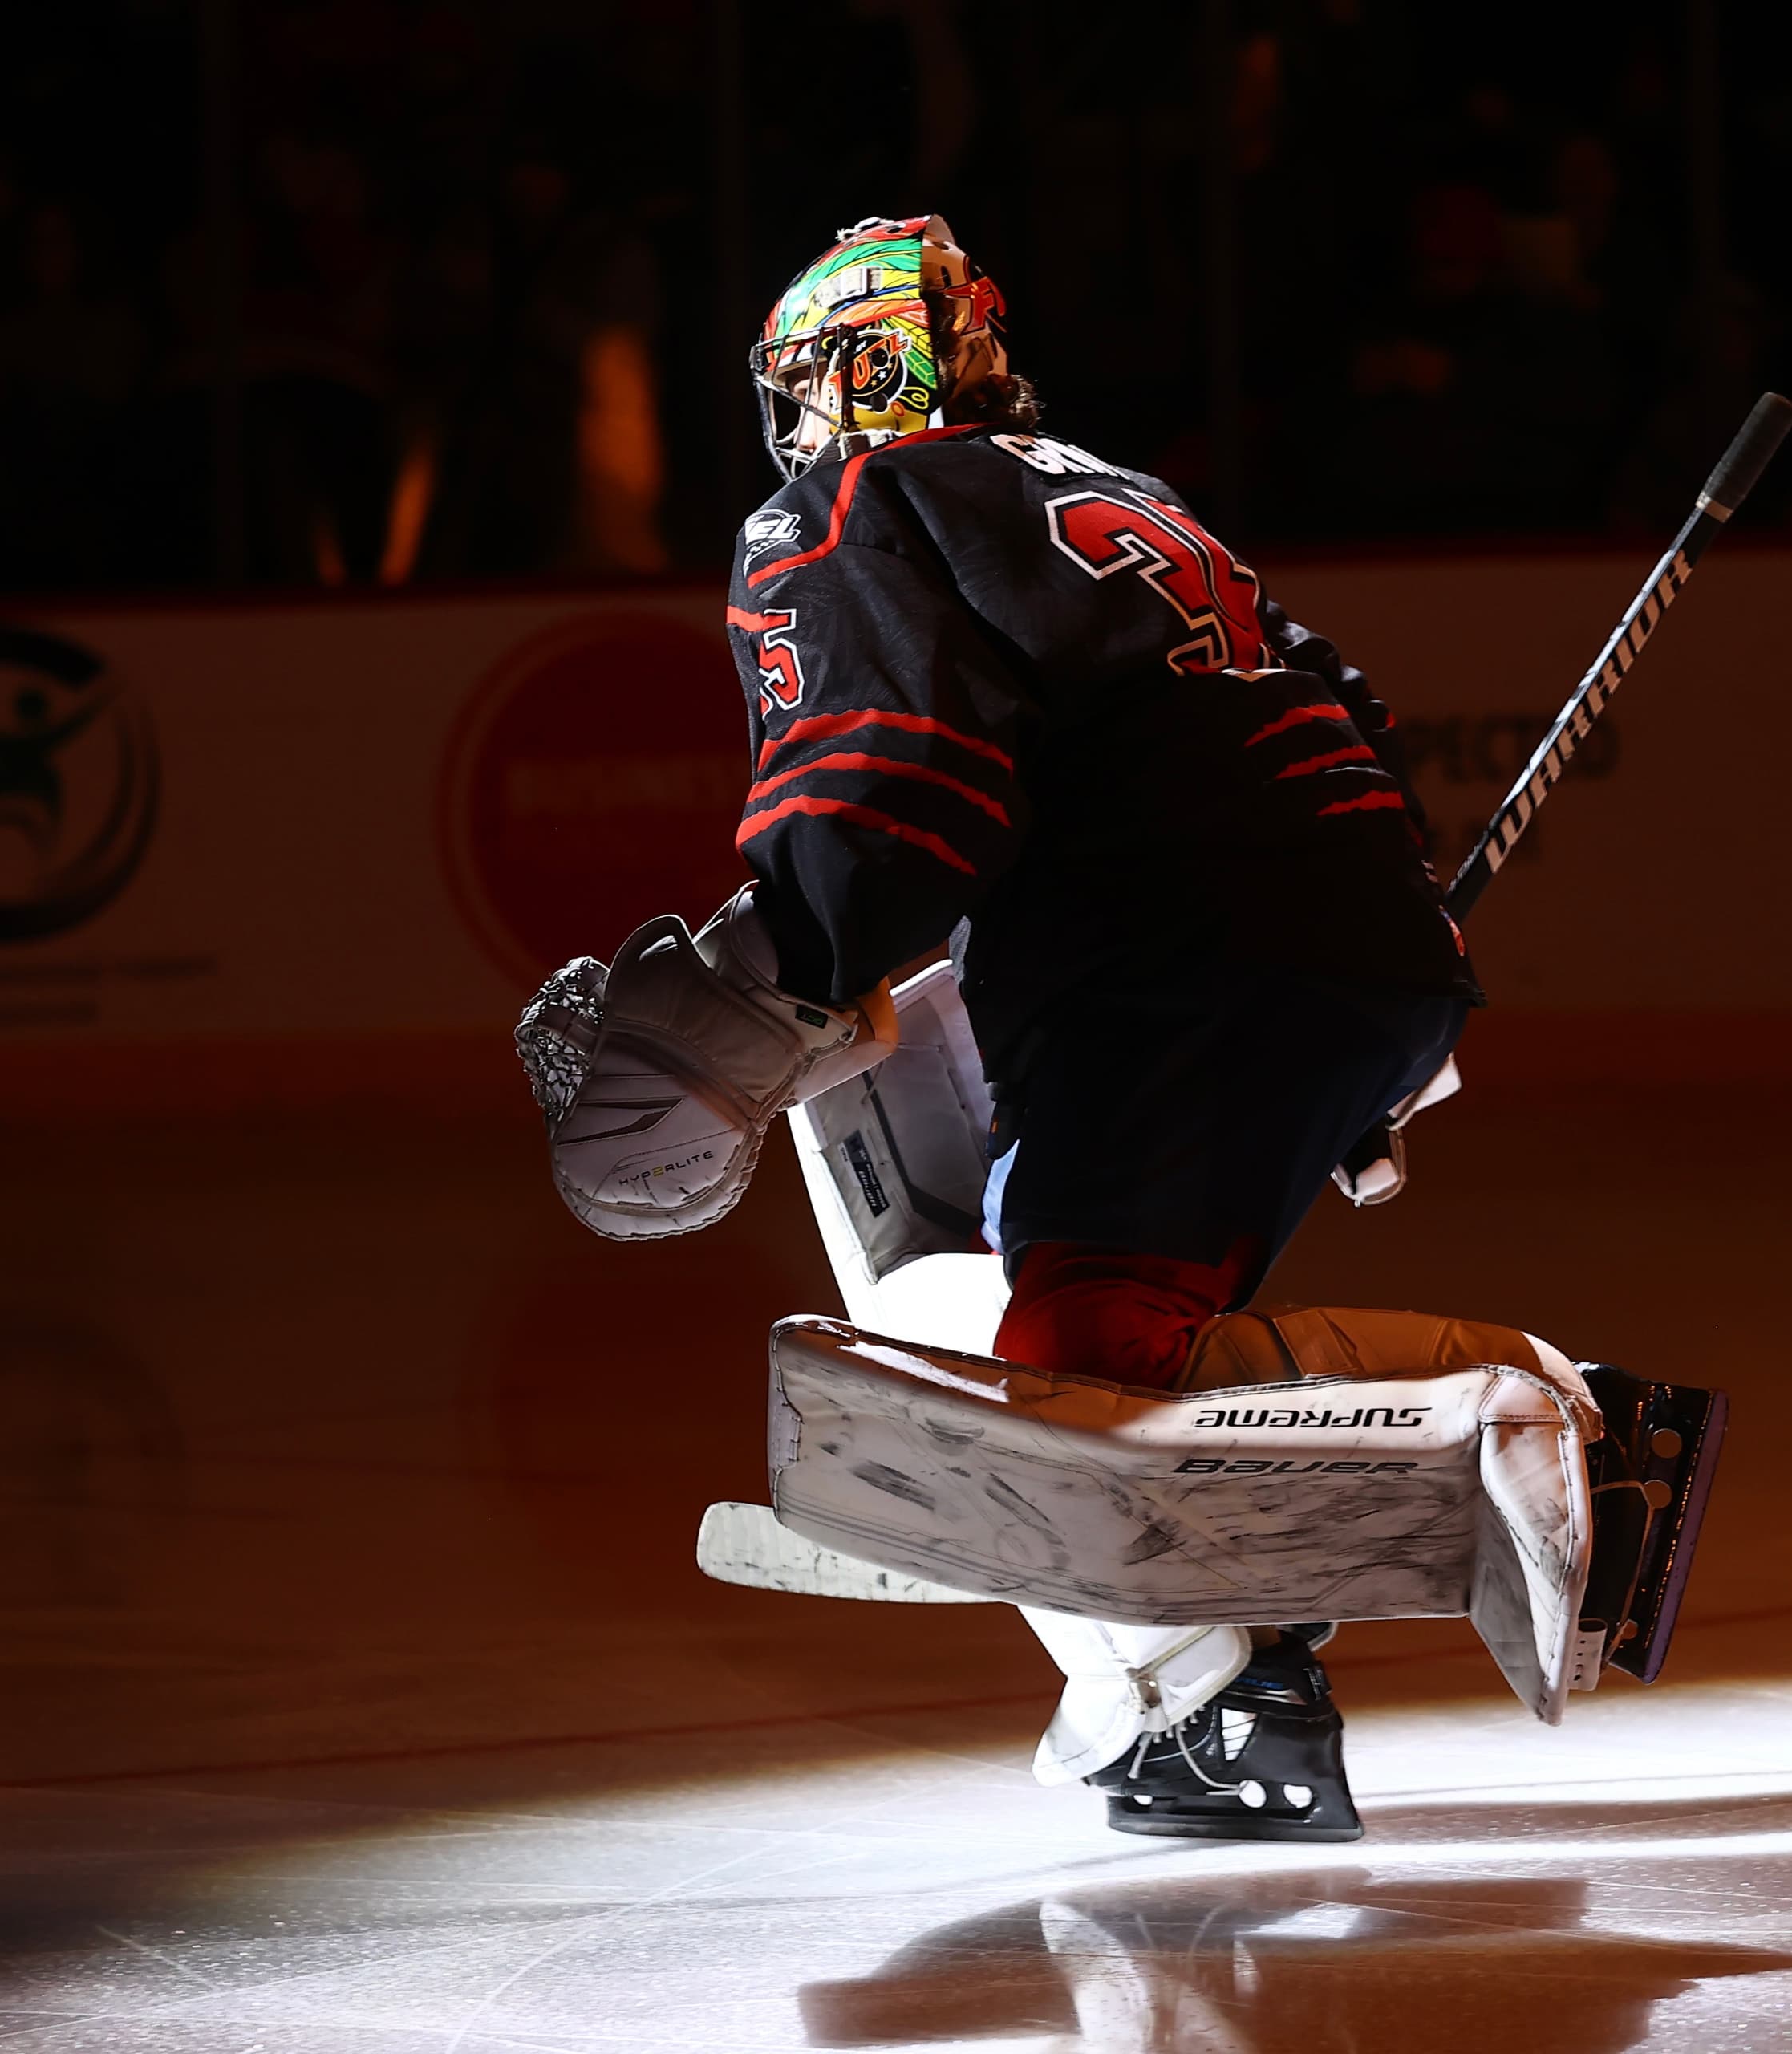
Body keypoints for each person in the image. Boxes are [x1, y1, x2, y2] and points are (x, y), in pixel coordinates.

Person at [517, 217, 1479, 1841]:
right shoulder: (1114, 487)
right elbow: (1335, 709)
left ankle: (1249, 1648)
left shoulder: (854, 501)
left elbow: (896, 788)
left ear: (863, 368)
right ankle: (1207, 1638)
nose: (794, 424)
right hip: (1339, 939)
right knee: (1038, 1273)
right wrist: (1375, 983)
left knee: (1054, 1374)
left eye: (806, 384)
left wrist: (762, 982)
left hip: (1176, 963)